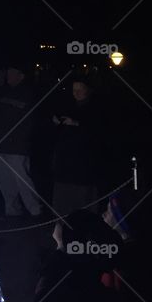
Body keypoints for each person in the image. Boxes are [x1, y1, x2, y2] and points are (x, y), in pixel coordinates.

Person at [0, 63, 44, 218]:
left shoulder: (27, 93)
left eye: (13, 73)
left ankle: (35, 210)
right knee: (5, 182)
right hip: (2, 145)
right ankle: (12, 210)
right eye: (8, 73)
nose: (9, 76)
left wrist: (21, 139)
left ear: (21, 75)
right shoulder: (3, 92)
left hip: (17, 145)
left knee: (22, 179)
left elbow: (26, 122)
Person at [51, 79, 100, 215]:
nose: (76, 93)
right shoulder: (69, 106)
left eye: (80, 89)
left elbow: (98, 132)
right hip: (65, 163)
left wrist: (77, 124)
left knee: (83, 197)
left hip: (84, 164)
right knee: (63, 197)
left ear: (87, 90)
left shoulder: (95, 107)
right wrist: (57, 123)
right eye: (74, 90)